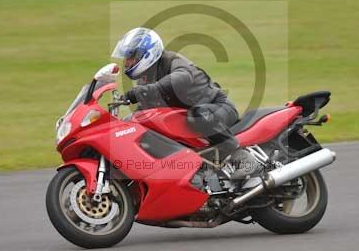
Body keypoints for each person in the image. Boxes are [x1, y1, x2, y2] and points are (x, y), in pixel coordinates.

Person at [111, 27, 258, 179]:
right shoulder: (145, 80)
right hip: (191, 122)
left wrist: (141, 93)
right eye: (126, 59)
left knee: (197, 115)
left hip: (218, 108)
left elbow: (181, 77)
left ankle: (242, 157)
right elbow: (142, 114)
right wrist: (124, 127)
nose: (127, 63)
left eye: (131, 57)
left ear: (147, 53)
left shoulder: (172, 61)